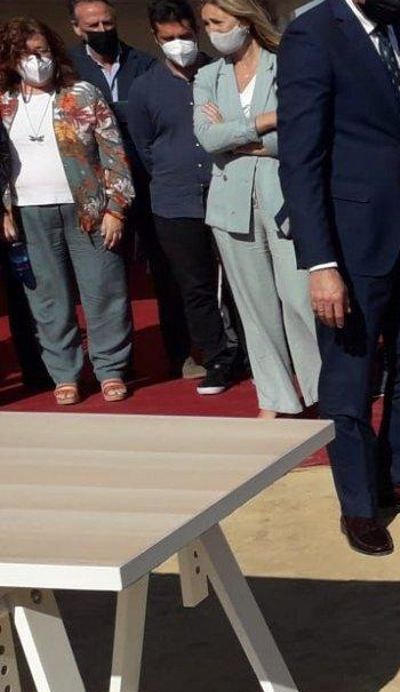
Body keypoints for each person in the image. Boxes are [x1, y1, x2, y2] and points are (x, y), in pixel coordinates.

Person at [279, 0, 400, 556]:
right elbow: (300, 159)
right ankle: (358, 505)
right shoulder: (313, 34)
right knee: (350, 377)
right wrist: (320, 263)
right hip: (347, 245)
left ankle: (399, 476)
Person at [0, 17, 135, 405]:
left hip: (88, 208)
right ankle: (65, 373)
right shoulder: (4, 103)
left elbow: (113, 152)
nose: (37, 60)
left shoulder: (82, 94)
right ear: (11, 59)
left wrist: (117, 208)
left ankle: (110, 368)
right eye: (27, 54)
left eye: (42, 51)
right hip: (28, 213)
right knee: (47, 298)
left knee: (104, 288)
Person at [195, 0, 320, 419]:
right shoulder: (208, 76)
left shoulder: (285, 64)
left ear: (245, 21)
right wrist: (264, 121)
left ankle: (321, 390)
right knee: (255, 308)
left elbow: (298, 133)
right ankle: (275, 398)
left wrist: (236, 140)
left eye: (218, 22)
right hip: (231, 206)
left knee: (301, 300)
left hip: (287, 199)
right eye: (206, 24)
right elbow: (208, 138)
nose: (211, 31)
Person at [69, 0, 196, 379]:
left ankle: (181, 354)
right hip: (100, 190)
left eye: (108, 23)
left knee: (167, 271)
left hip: (148, 181)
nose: (103, 30)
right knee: (107, 276)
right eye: (93, 25)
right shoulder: (69, 69)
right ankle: (116, 365)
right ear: (76, 28)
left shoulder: (144, 63)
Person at [124, 0, 241, 397]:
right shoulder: (144, 88)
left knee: (243, 280)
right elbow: (144, 146)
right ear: (155, 38)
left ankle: (254, 353)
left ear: (197, 31)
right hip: (176, 201)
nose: (179, 44)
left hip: (228, 190)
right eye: (169, 38)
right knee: (195, 286)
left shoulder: (224, 73)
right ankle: (217, 358)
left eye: (186, 35)